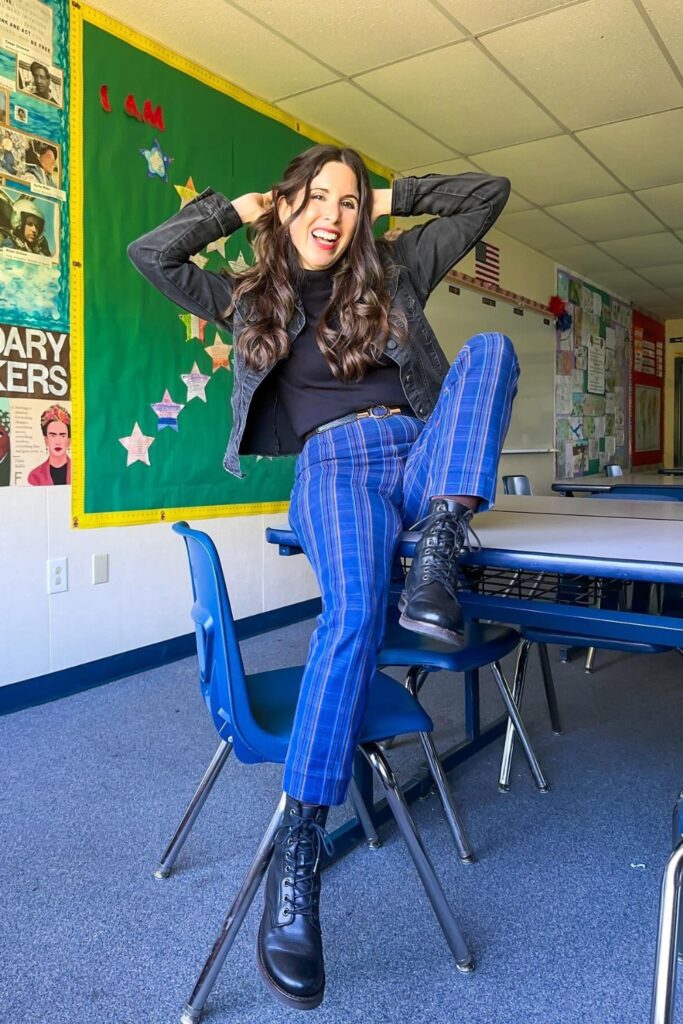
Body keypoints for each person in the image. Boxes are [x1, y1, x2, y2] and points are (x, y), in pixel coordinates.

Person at [129, 145, 517, 1010]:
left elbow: (487, 195)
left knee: (492, 348)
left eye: (346, 202)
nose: (332, 215)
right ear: (287, 204)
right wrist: (238, 209)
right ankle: (299, 847)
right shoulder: (248, 297)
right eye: (316, 198)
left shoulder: (395, 268)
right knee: (350, 614)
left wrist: (385, 196)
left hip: (422, 456)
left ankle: (438, 542)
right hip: (335, 468)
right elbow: (150, 255)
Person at [28, 404, 71, 485]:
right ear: (46, 440)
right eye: (53, 435)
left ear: (69, 440)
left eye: (62, 435)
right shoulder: (35, 476)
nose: (58, 442)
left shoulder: (79, 470)